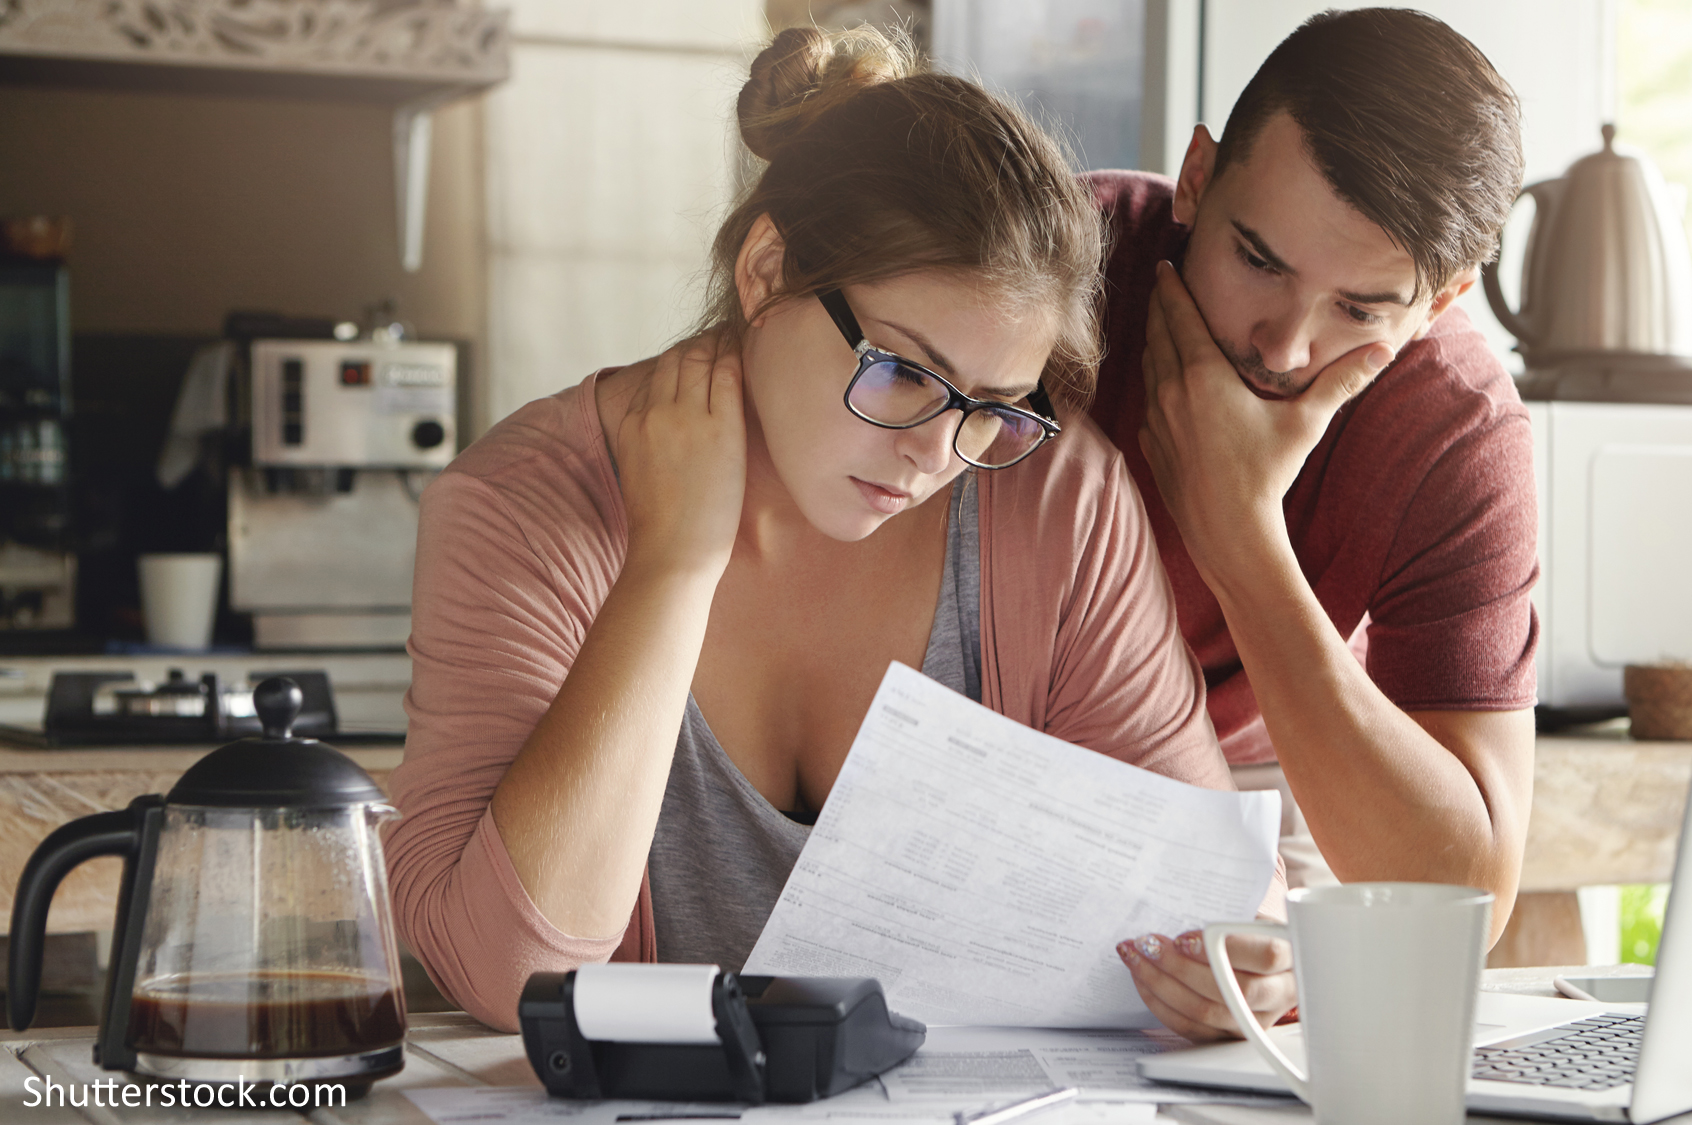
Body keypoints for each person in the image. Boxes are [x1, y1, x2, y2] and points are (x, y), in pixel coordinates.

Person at [384, 26, 1288, 1040]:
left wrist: (1243, 966)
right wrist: (673, 565)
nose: (935, 453)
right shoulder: (523, 505)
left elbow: (1202, 898)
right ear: (767, 271)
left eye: (990, 405)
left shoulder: (1054, 496)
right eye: (901, 371)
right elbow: (511, 974)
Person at [1088, 8, 1540, 1013]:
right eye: (1257, 259)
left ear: (1441, 300)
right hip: (982, 737)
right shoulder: (1051, 270)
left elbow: (1464, 896)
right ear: (1196, 180)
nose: (1286, 347)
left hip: (1262, 779)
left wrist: (1239, 536)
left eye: (1361, 309)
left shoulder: (1454, 429)